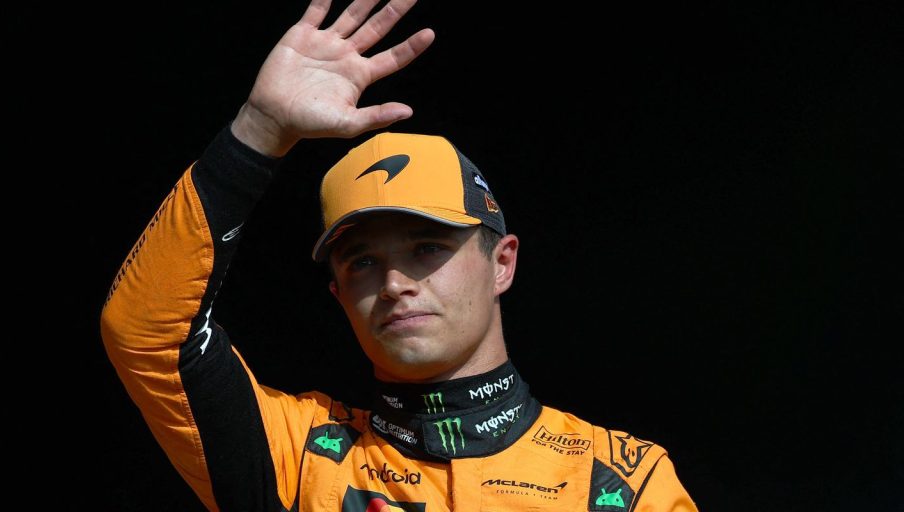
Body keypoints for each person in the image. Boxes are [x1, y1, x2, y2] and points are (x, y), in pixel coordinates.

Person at [100, 0, 698, 510]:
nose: (393, 283)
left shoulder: (623, 481)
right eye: (361, 261)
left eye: (427, 247)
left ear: (502, 263)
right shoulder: (300, 458)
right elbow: (145, 332)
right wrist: (258, 130)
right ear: (337, 293)